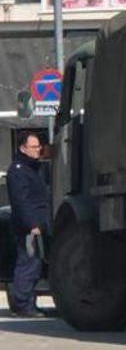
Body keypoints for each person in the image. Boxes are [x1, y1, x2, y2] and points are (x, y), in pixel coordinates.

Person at [5, 132, 49, 318]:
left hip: (37, 222)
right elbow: (21, 201)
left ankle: (26, 302)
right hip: (28, 227)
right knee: (28, 264)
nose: (38, 150)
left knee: (34, 263)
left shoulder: (32, 168)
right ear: (23, 148)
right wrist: (32, 224)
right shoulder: (18, 170)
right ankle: (22, 304)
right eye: (34, 147)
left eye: (38, 146)